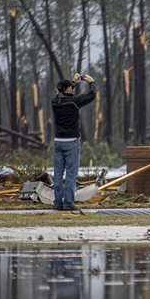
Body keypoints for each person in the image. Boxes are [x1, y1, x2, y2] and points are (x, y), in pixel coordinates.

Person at [51, 73, 96, 211]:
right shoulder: (74, 101)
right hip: (71, 142)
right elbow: (91, 95)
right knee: (71, 174)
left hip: (58, 141)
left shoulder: (54, 101)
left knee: (58, 174)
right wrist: (91, 83)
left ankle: (57, 202)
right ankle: (68, 203)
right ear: (69, 89)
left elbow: (63, 94)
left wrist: (73, 83)